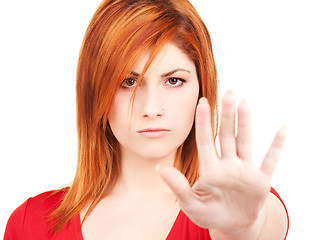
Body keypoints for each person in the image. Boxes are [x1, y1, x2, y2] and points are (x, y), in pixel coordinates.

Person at [4, 0, 289, 239]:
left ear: (202, 88)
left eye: (174, 80)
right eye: (128, 82)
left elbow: (262, 223)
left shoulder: (235, 202)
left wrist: (243, 229)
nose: (151, 108)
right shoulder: (31, 224)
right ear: (95, 92)